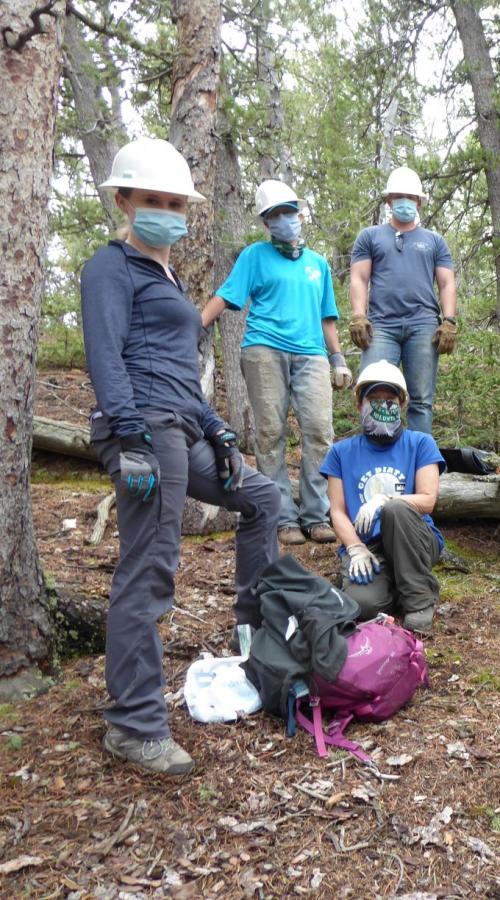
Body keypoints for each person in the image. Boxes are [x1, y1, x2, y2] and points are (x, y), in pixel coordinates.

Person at [82, 137, 281, 775]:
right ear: (123, 201)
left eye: (176, 202)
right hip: (145, 433)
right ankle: (134, 724)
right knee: (150, 568)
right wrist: (131, 435)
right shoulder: (111, 266)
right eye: (153, 201)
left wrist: (218, 429)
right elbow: (107, 357)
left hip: (181, 426)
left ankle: (250, 627)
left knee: (262, 496)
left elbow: (178, 375)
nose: (167, 211)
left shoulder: (165, 273)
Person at [202, 179, 351, 546]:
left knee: (319, 432)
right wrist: (195, 324)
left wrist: (338, 357)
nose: (285, 219)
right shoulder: (254, 256)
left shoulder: (318, 264)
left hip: (312, 354)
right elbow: (226, 295)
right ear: (266, 222)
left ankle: (316, 515)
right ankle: (282, 516)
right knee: (270, 434)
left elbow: (327, 316)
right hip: (264, 350)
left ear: (300, 214)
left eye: (290, 211)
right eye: (276, 214)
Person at [320, 361, 446, 634]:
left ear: (401, 404)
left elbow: (427, 500)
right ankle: (395, 586)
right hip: (368, 545)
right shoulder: (341, 452)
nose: (382, 406)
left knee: (395, 510)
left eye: (389, 400)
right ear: (359, 405)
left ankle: (420, 600)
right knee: (361, 606)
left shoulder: (420, 443)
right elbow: (338, 511)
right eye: (373, 399)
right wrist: (355, 547)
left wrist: (386, 500)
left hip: (413, 538)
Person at [348, 166, 457, 435]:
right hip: (381, 326)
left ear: (418, 201)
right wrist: (358, 316)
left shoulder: (434, 241)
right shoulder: (370, 236)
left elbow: (447, 282)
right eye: (399, 196)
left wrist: (450, 320)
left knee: (421, 399)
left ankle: (421, 465)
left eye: (410, 196)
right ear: (389, 200)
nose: (405, 201)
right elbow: (359, 278)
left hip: (422, 326)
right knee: (374, 389)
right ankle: (375, 454)